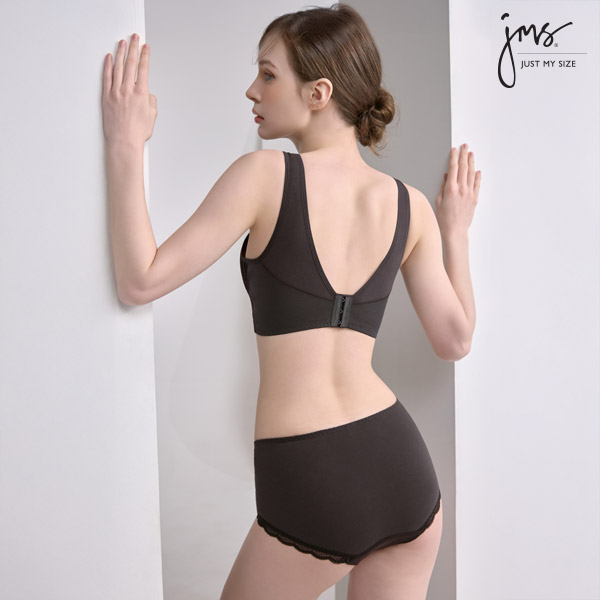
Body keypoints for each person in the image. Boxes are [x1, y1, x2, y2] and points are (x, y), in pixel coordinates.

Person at [102, 4, 480, 599]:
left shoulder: (263, 175)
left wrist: (126, 145)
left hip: (313, 473)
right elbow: (455, 340)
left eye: (268, 74)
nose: (252, 90)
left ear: (318, 93)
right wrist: (454, 232)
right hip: (403, 472)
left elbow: (140, 280)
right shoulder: (412, 207)